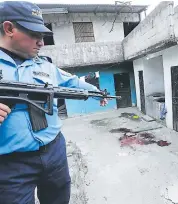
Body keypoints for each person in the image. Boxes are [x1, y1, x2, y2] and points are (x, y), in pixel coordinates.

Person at [0, 1, 107, 204]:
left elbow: (71, 82)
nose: (41, 42)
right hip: (10, 165)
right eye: (34, 34)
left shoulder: (45, 65)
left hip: (54, 151)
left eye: (42, 35)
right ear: (9, 28)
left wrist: (98, 93)